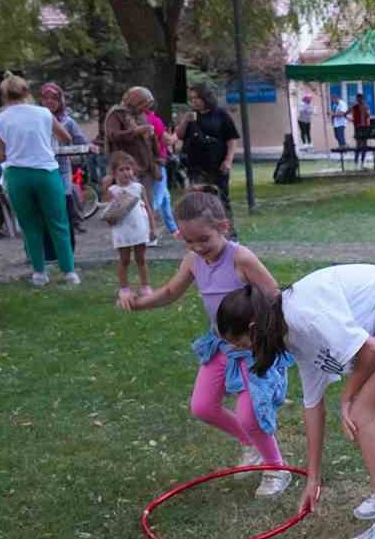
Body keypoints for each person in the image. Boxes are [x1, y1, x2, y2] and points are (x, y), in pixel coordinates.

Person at [215, 264, 375, 539]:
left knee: (363, 419)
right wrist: (313, 478)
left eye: (242, 345)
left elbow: (371, 350)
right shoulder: (290, 333)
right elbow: (313, 405)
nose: (247, 352)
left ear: (252, 328)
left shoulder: (302, 316)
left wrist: (347, 398)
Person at [118, 188, 293, 499]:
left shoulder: (240, 257)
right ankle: (251, 445)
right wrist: (140, 303)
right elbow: (171, 292)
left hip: (251, 348)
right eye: (189, 241)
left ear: (222, 228)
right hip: (221, 345)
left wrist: (265, 338)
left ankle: (276, 468)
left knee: (250, 414)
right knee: (202, 407)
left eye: (203, 240)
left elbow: (274, 294)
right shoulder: (193, 261)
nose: (197, 247)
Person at [0, 74, 78, 286]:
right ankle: (69, 272)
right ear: (27, 92)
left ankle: (39, 273)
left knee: (30, 225)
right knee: (59, 223)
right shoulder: (43, 113)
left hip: (18, 175)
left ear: (3, 96)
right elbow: (66, 137)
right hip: (46, 172)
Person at [103, 87, 162, 243]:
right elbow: (112, 135)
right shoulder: (116, 114)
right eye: (143, 104)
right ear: (135, 101)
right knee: (127, 204)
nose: (146, 109)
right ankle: (128, 237)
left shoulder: (141, 115)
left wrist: (152, 138)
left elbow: (147, 137)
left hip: (145, 164)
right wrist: (137, 131)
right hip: (125, 166)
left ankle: (149, 234)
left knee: (147, 202)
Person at [176, 82, 241, 221]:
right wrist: (185, 121)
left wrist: (228, 160)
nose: (194, 102)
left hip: (217, 164)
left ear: (206, 98)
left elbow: (232, 139)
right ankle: (204, 232)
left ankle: (229, 234)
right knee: (197, 201)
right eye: (192, 98)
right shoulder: (191, 115)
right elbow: (180, 135)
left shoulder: (220, 115)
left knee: (220, 200)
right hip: (195, 166)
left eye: (197, 98)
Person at [39, 82, 90, 240]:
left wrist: (90, 146)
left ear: (60, 101)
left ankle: (69, 240)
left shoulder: (67, 121)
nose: (49, 102)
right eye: (45, 98)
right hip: (41, 169)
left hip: (62, 169)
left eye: (54, 98)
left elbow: (81, 141)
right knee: (45, 206)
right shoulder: (36, 119)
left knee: (65, 202)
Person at [102, 151, 154, 296]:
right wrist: (105, 187)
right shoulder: (113, 191)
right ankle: (124, 288)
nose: (126, 172)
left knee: (141, 258)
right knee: (124, 260)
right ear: (114, 172)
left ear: (134, 170)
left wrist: (152, 227)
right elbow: (107, 210)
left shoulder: (138, 188)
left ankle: (145, 286)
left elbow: (148, 208)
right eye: (121, 169)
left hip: (139, 228)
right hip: (122, 230)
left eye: (128, 169)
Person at [141, 97, 176, 237]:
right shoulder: (154, 120)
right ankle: (147, 229)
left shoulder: (138, 120)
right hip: (158, 163)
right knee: (157, 198)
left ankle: (174, 229)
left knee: (165, 197)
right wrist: (178, 131)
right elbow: (168, 140)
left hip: (146, 162)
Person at [350, 93, 371, 165]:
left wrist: (368, 126)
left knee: (364, 145)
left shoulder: (366, 107)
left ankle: (362, 161)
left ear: (363, 99)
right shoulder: (354, 107)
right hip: (358, 128)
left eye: (361, 99)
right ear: (357, 99)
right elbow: (345, 114)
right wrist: (352, 120)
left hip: (365, 128)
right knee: (358, 145)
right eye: (358, 99)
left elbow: (368, 117)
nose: (360, 100)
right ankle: (356, 161)